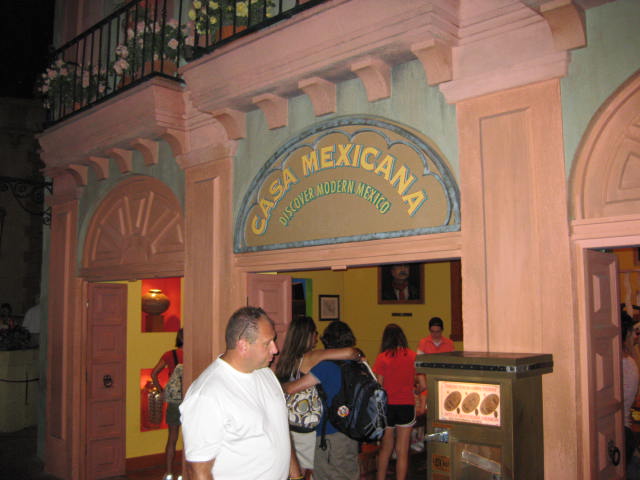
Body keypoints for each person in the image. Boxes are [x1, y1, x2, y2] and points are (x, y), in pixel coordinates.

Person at [179, 306, 292, 480]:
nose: (275, 349)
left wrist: (296, 475)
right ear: (243, 346)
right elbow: (198, 471)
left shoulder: (266, 374)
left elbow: (280, 431)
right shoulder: (207, 395)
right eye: (267, 343)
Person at [275, 316, 362, 480]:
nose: (317, 337)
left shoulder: (284, 360)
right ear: (308, 335)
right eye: (315, 333)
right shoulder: (315, 357)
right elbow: (351, 352)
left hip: (289, 425)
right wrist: (359, 355)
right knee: (317, 470)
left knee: (295, 469)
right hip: (310, 426)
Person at [373, 324, 426, 480]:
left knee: (385, 449)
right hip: (406, 405)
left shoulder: (382, 357)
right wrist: (415, 391)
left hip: (387, 407)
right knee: (402, 450)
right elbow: (423, 385)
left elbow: (379, 386)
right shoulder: (412, 356)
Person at [151, 328, 184, 480]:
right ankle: (186, 473)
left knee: (172, 438)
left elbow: (154, 373)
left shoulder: (169, 355)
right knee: (190, 439)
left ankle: (169, 473)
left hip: (174, 401)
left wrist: (161, 390)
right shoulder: (194, 353)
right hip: (191, 399)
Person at [622, 312, 640, 467]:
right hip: (625, 431)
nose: (635, 336)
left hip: (622, 433)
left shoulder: (626, 364)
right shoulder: (630, 363)